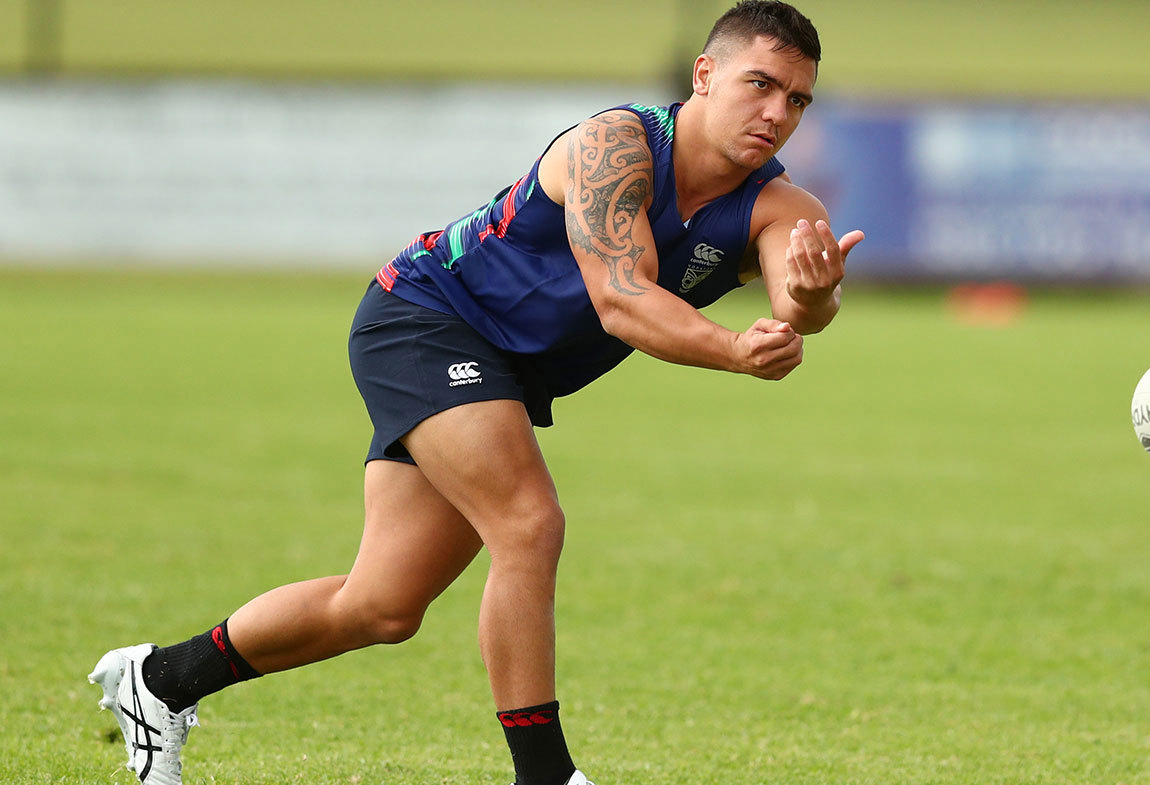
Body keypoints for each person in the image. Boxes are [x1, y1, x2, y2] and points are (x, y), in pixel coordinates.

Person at [89, 2, 862, 783]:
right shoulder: (615, 146)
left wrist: (812, 297)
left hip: (504, 373)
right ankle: (546, 774)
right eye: (760, 84)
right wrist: (736, 350)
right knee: (529, 523)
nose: (776, 112)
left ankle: (159, 681)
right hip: (427, 317)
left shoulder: (782, 206)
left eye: (797, 99)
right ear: (705, 75)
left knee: (383, 606)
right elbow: (621, 300)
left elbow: (797, 307)